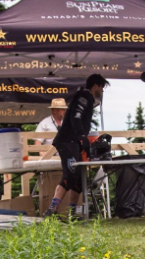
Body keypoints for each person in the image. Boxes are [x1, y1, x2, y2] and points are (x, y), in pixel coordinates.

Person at [44, 74, 109, 217]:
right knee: (70, 174)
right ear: (95, 86)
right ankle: (52, 209)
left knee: (79, 178)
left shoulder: (87, 98)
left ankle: (72, 213)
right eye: (102, 87)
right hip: (67, 141)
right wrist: (82, 137)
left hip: (74, 141)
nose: (102, 91)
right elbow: (76, 117)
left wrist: (83, 140)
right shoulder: (84, 97)